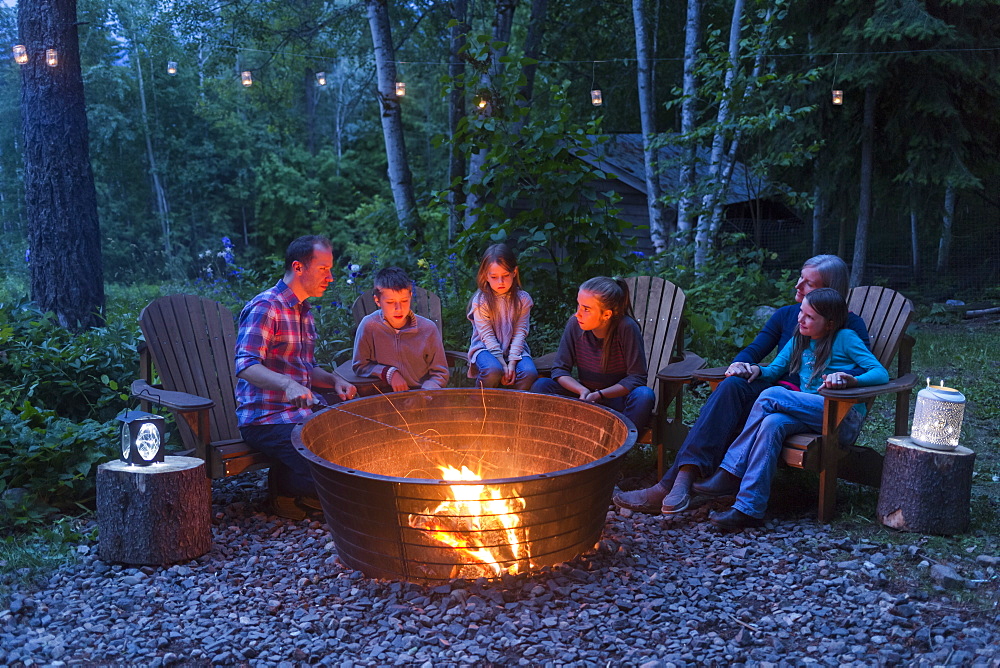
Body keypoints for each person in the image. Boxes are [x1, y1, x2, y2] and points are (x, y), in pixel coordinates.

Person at [614, 254, 870, 515]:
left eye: (809, 284)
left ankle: (672, 485)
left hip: (806, 403)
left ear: (829, 291)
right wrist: (740, 364)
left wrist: (843, 380)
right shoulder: (787, 315)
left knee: (734, 405)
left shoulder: (849, 326)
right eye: (800, 278)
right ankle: (684, 479)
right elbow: (754, 350)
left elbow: (865, 370)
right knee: (732, 386)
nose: (798, 286)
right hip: (771, 393)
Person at [692, 288, 889, 530]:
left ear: (829, 324)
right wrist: (756, 370)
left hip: (840, 418)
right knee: (771, 423)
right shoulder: (799, 339)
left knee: (770, 396)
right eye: (801, 313)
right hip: (808, 413)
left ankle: (731, 471)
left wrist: (851, 379)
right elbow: (773, 370)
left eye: (809, 317)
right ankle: (748, 509)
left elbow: (881, 373)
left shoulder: (846, 338)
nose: (800, 319)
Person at [235, 235, 357, 520]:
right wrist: (287, 384)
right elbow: (246, 365)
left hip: (300, 415)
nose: (331, 277)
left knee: (354, 443)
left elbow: (304, 368)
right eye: (323, 269)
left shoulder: (304, 311)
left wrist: (334, 380)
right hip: (266, 419)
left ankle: (290, 483)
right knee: (337, 476)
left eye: (330, 269)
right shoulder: (266, 307)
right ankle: (287, 488)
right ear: (298, 267)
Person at [531, 276, 655, 431]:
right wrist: (582, 391)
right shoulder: (575, 325)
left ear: (606, 315)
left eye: (586, 309)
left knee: (644, 395)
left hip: (616, 399)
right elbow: (560, 369)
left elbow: (637, 377)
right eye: (578, 306)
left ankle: (619, 444)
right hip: (584, 395)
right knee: (542, 386)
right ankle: (555, 441)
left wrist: (600, 395)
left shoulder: (627, 328)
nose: (578, 314)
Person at [352, 266, 449, 391]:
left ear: (410, 296)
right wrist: (389, 373)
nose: (398, 308)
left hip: (421, 393)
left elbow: (440, 373)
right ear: (377, 300)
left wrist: (427, 390)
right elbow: (360, 366)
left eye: (404, 301)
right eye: (391, 302)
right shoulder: (369, 326)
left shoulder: (428, 329)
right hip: (385, 396)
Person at [466, 243, 538, 390]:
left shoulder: (522, 300)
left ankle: (513, 408)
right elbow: (486, 336)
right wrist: (501, 362)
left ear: (514, 272)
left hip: (515, 348)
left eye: (505, 275)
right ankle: (478, 404)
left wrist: (511, 363)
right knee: (493, 370)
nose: (500, 282)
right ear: (485, 276)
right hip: (484, 348)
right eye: (494, 277)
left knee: (529, 373)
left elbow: (520, 332)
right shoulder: (481, 301)